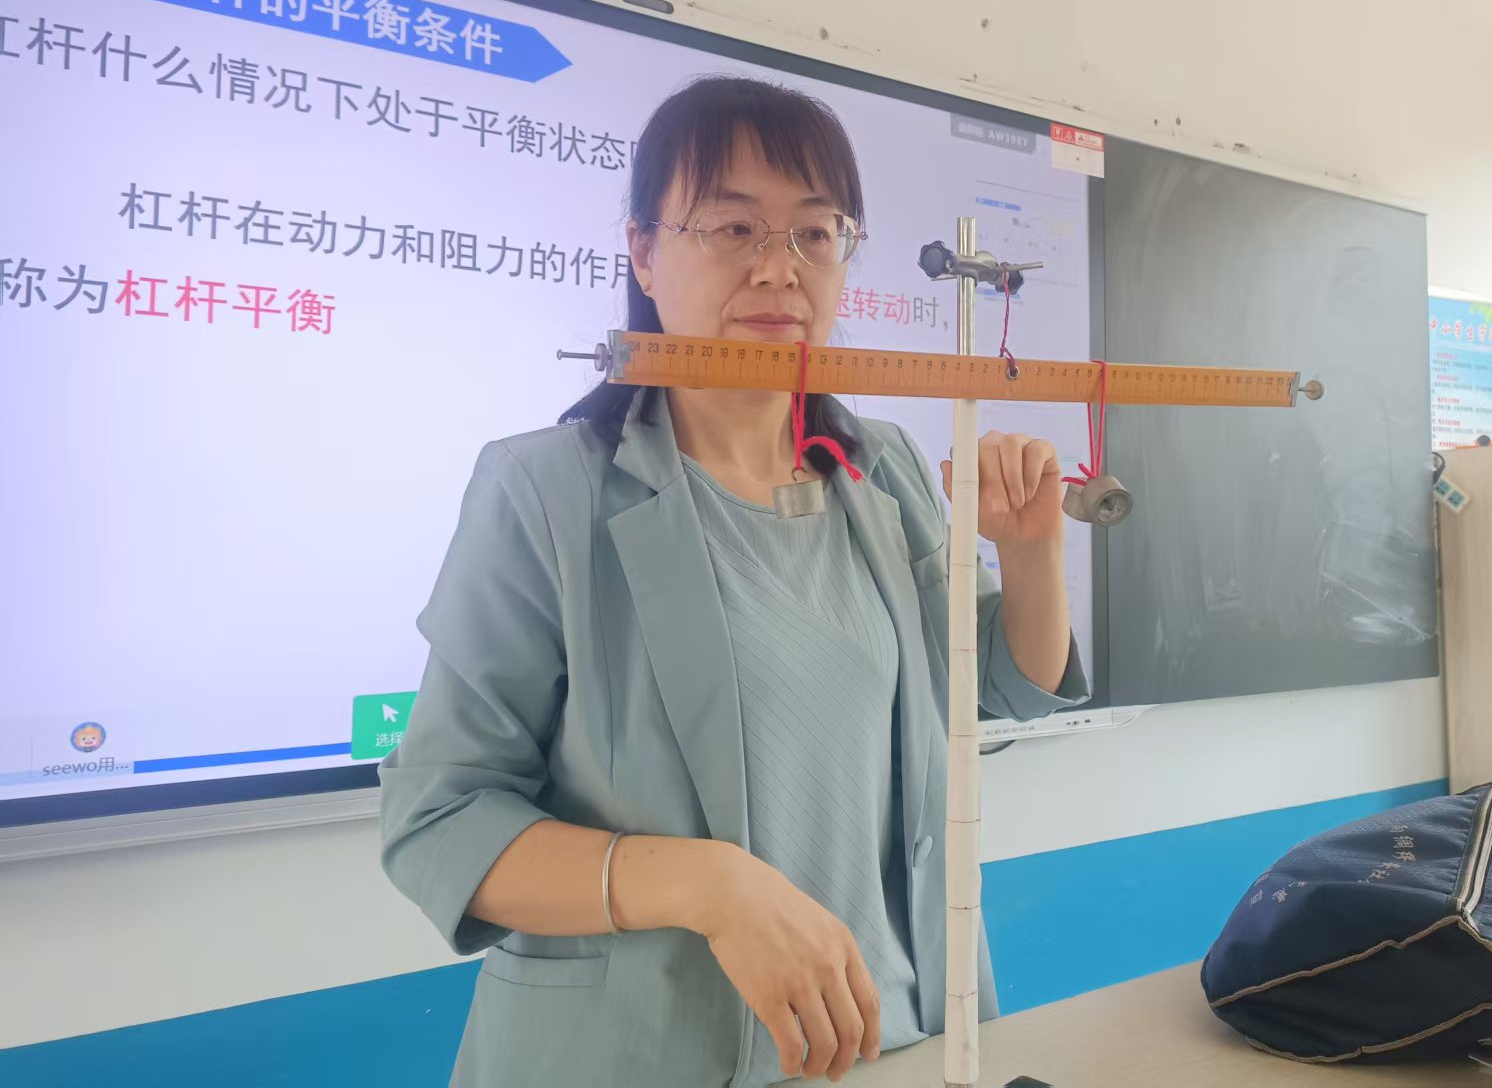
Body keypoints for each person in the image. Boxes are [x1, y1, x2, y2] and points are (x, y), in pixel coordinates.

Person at [379, 75, 1088, 1087]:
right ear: (642, 251)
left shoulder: (880, 468)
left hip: (902, 1042)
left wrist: (1030, 554)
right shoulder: (544, 492)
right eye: (731, 226)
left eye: (815, 232)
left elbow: (1000, 688)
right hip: (640, 1059)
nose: (777, 267)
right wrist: (707, 885)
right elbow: (440, 820)